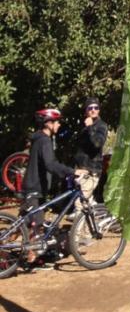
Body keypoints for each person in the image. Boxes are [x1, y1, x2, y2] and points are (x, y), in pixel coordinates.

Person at [21, 108, 75, 265]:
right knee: (35, 225)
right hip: (34, 188)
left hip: (34, 187)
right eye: (57, 121)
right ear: (48, 123)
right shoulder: (44, 140)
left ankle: (6, 256)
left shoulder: (40, 139)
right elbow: (50, 164)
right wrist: (71, 171)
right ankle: (31, 259)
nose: (59, 124)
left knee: (22, 225)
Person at [73, 97, 108, 202]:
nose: (93, 110)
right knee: (84, 203)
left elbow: (97, 144)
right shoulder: (84, 126)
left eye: (96, 107)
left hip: (91, 170)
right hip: (80, 169)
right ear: (86, 111)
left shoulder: (101, 126)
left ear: (99, 110)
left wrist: (90, 127)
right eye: (90, 108)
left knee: (80, 204)